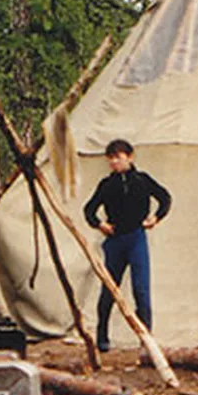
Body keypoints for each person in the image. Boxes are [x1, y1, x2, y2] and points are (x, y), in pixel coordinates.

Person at [83, 138, 171, 352]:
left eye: (118, 158)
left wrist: (155, 218)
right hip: (115, 241)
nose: (115, 162)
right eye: (111, 159)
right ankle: (102, 336)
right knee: (109, 290)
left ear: (129, 157)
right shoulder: (107, 184)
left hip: (136, 237)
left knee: (141, 289)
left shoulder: (142, 180)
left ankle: (146, 339)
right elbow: (89, 210)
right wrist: (100, 224)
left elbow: (165, 197)